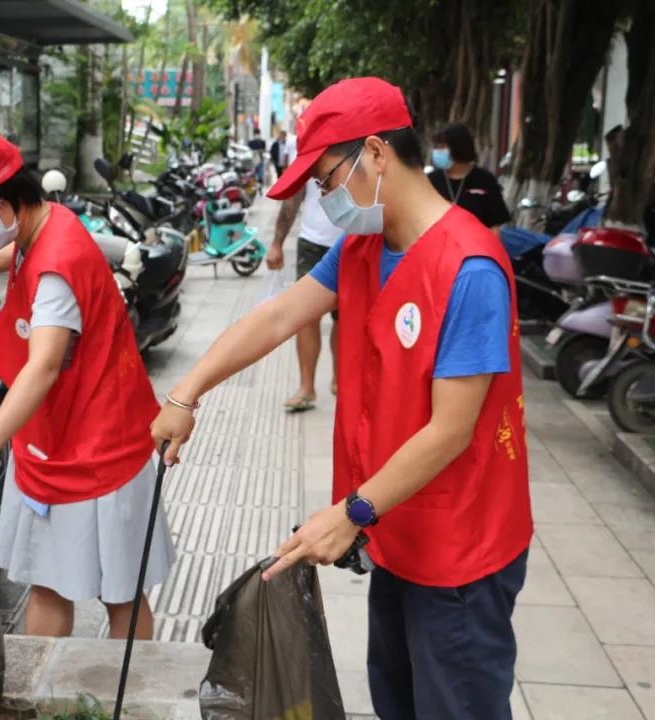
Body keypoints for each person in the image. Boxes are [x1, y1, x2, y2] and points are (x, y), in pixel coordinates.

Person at [150, 78, 532, 719]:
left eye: (327, 180)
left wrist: (351, 511)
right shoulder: (364, 247)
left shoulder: (469, 269)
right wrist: (186, 394)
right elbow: (276, 318)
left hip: (459, 545)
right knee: (398, 699)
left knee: (455, 706)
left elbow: (450, 430)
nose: (325, 200)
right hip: (396, 527)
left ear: (377, 155)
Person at [0, 129, 174, 640]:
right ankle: (47, 700)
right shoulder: (42, 223)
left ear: (3, 203)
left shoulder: (57, 266)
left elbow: (43, 366)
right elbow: (9, 254)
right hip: (52, 439)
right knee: (47, 582)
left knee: (119, 591)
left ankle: (135, 699)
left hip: (96, 449)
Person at [266, 176, 343, 411]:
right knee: (306, 317)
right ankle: (306, 387)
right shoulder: (310, 153)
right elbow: (292, 201)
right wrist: (277, 243)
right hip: (312, 242)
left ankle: (340, 380)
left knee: (346, 318)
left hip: (352, 239)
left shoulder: (360, 147)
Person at [428, 122, 510, 233]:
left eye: (442, 147)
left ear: (458, 148)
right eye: (436, 147)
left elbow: (494, 226)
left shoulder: (485, 180)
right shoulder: (430, 181)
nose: (437, 152)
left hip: (476, 247)